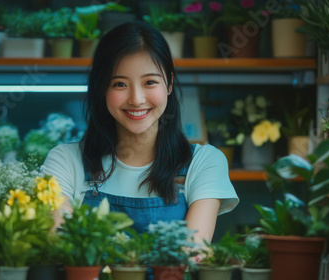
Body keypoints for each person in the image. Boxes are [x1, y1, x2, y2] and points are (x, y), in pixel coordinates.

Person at [41, 21, 238, 244]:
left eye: (150, 82)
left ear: (170, 84)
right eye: (119, 85)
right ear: (102, 88)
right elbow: (61, 249)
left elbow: (192, 253)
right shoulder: (65, 162)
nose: (136, 99)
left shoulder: (204, 163)